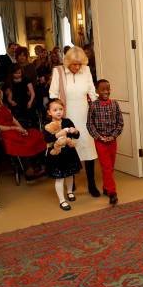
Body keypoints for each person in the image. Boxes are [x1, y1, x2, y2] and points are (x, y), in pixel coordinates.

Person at [49, 46, 100, 197]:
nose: (77, 67)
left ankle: (92, 184)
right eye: (74, 64)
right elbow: (53, 94)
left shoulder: (86, 70)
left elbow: (92, 92)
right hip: (67, 115)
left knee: (88, 149)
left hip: (84, 115)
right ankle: (71, 182)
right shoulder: (58, 71)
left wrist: (97, 107)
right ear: (67, 62)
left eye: (80, 64)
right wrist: (57, 115)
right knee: (69, 149)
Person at [0, 86, 46, 179]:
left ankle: (39, 164)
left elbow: (14, 119)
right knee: (23, 142)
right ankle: (28, 169)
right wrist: (14, 128)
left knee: (36, 134)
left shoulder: (3, 107)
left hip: (15, 129)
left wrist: (22, 129)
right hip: (4, 132)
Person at [86, 79, 124, 205]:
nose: (106, 91)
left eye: (108, 89)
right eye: (102, 89)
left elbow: (120, 123)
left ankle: (106, 188)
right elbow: (89, 124)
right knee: (106, 167)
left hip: (112, 141)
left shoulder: (115, 104)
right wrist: (98, 137)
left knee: (110, 167)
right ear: (97, 91)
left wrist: (113, 136)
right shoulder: (93, 106)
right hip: (100, 142)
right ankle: (113, 193)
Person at [44, 99, 81, 211]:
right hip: (57, 154)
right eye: (55, 110)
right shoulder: (47, 126)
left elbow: (76, 136)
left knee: (70, 174)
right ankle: (62, 200)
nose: (59, 112)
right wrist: (57, 135)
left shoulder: (67, 121)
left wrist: (75, 131)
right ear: (49, 112)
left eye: (61, 109)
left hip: (69, 153)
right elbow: (47, 139)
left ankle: (69, 192)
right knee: (60, 178)